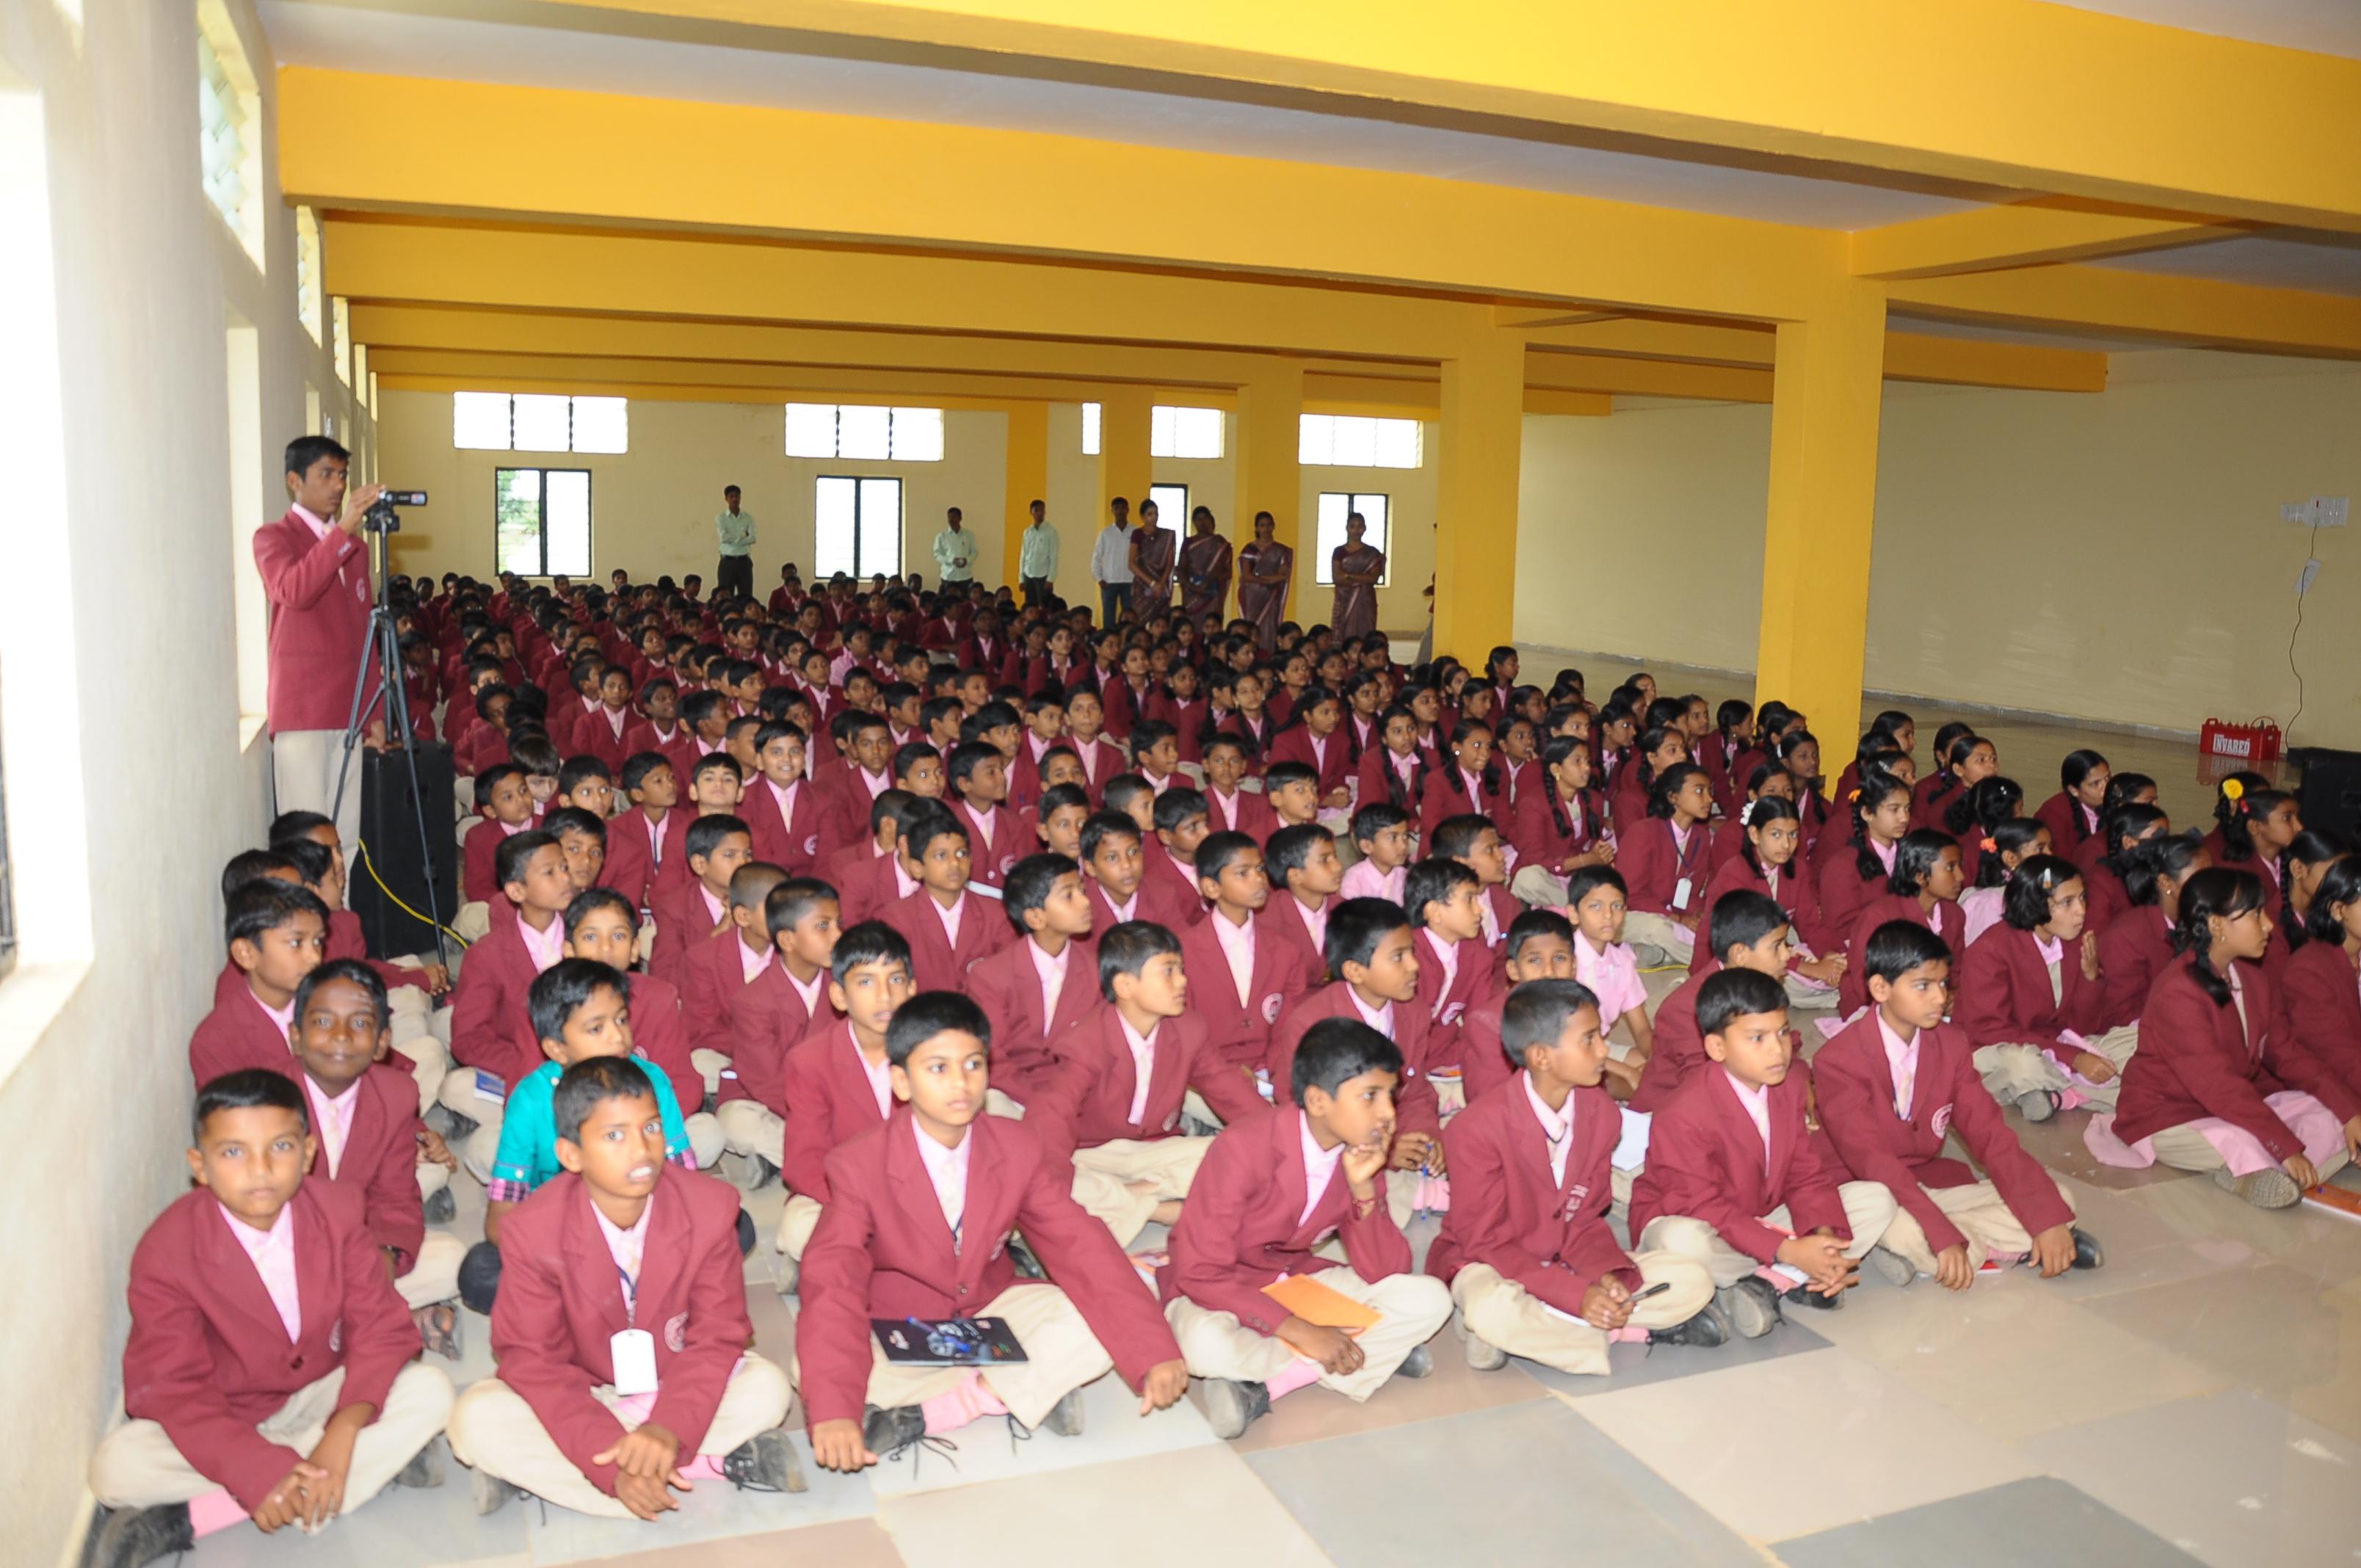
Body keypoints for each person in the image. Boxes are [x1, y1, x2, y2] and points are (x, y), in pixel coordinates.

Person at [799, 993, 1190, 1467]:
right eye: (937, 1068)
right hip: (902, 1322)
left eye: (973, 1064)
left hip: (991, 1307)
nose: (960, 1083)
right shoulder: (857, 1164)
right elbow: (833, 1283)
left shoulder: (1018, 1146)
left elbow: (1080, 1244)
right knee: (811, 1372)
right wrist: (836, 1411)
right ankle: (1016, 1389)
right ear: (901, 1081)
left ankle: (951, 1406)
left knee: (1097, 1324)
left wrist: (1152, 1350)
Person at [88, 1072, 454, 1563]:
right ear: (200, 1165)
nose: (260, 1169)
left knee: (429, 1391)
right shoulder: (168, 1248)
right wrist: (258, 1468)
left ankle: (200, 1515)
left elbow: (382, 1328)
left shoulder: (339, 1210)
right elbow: (172, 1389)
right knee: (115, 1468)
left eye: (279, 1147)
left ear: (307, 1155)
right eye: (234, 1152)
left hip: (320, 1393)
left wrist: (344, 1427)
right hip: (226, 1413)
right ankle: (345, 1473)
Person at [446, 1058, 801, 1519]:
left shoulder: (710, 1207)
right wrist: (610, 1455)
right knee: (474, 1419)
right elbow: (533, 1362)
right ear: (570, 1155)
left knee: (767, 1387)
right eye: (614, 1135)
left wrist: (669, 1427)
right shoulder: (533, 1230)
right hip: (584, 1389)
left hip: (674, 1381)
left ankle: (597, 1473)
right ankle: (693, 1467)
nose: (642, 1149)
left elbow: (718, 1335)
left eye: (651, 1128)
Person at [1158, 1017, 1454, 1439]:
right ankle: (1365, 1353)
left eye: (1390, 1096)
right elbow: (1199, 1272)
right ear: (1317, 1101)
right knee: (1204, 1347)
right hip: (1218, 1288)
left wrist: (1362, 1187)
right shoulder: (1243, 1148)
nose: (1388, 1114)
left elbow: (1387, 1269)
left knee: (1430, 1298)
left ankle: (1271, 1387)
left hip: (1292, 1281)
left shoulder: (1360, 1152)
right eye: (1370, 1096)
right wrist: (1300, 1331)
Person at [1430, 980, 1726, 1375]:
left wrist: (1605, 1277)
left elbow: (1586, 1218)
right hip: (1491, 1262)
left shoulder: (1602, 1114)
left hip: (1568, 1259)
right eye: (1589, 1040)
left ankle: (1563, 1330)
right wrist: (1575, 1294)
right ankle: (1612, 1329)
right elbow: (1486, 1242)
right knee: (1492, 1306)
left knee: (1692, 1280)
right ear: (1541, 1057)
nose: (1605, 1050)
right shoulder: (1474, 1130)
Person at [1816, 923, 2102, 1287]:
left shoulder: (1950, 1046)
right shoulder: (1838, 1060)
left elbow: (1992, 1137)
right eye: (1923, 985)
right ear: (1880, 988)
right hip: (1864, 1188)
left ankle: (1941, 1251)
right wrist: (1940, 1230)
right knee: (1895, 1222)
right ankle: (1962, 1244)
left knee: (2058, 1200)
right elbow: (1872, 1163)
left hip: (1925, 1184)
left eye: (1942, 983)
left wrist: (2045, 1220)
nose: (1939, 998)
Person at [1628, 969, 1899, 1338]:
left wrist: (1821, 1239)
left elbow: (1806, 1175)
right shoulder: (1682, 1112)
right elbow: (1702, 1207)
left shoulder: (1787, 1088)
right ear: (1716, 1048)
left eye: (1783, 1032)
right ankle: (1787, 1274)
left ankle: (1768, 1282)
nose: (1777, 1049)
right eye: (1757, 1038)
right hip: (1698, 1222)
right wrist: (1789, 1251)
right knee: (1682, 1241)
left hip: (1758, 1217)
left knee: (1876, 1200)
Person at [2098, 868, 2359, 1208]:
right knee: (2238, 1138)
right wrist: (2286, 1144)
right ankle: (2264, 1168)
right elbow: (2218, 1085)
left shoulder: (2253, 978)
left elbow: (2288, 1054)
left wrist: (2349, 1111)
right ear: (2217, 925)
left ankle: (2261, 1172)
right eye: (2254, 915)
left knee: (2330, 1114)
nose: (2268, 925)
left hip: (2229, 1107)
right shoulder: (2178, 991)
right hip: (2169, 1114)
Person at [287, 962, 466, 1355]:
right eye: (323, 1022)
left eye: (360, 1024)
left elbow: (395, 1196)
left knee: (453, 1261)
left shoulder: (396, 1094)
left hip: (359, 1252)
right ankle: (392, 1326)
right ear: (295, 1037)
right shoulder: (267, 1104)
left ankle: (365, 1326)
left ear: (383, 1042)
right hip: (286, 1261)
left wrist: (384, 1253)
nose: (340, 1036)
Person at [771, 922, 917, 1285]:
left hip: (918, 1192)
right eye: (866, 982)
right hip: (842, 1196)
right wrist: (870, 1209)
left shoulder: (932, 1052)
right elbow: (804, 1165)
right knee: (800, 1226)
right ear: (839, 996)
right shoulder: (810, 1061)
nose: (885, 995)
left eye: (896, 980)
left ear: (913, 989)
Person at [255, 435, 382, 852]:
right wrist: (343, 529)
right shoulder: (274, 538)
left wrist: (374, 710)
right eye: (325, 474)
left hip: (348, 708)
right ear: (295, 480)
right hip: (303, 709)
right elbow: (295, 590)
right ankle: (308, 917)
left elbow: (365, 630)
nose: (337, 486)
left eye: (342, 475)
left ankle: (340, 918)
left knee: (346, 835)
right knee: (308, 837)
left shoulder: (355, 548)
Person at [189, 880, 329, 1085]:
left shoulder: (329, 1003)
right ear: (246, 954)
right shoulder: (216, 1040)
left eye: (318, 941)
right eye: (296, 943)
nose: (314, 957)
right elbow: (239, 1114)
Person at [1235, 510, 1293, 650]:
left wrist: (1261, 579)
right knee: (1250, 628)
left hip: (1271, 598)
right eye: (1262, 525)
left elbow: (1283, 575)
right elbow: (1246, 576)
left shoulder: (1281, 550)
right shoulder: (1249, 549)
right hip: (1252, 598)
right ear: (1256, 528)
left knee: (1269, 628)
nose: (1266, 529)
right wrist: (1270, 581)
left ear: (1273, 526)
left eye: (1268, 525)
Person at [1327, 511, 1385, 642]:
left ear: (1365, 528)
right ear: (1347, 528)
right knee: (1344, 632)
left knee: (1365, 632)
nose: (1356, 530)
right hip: (1344, 599)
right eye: (1352, 526)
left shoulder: (1372, 553)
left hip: (1365, 599)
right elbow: (1337, 578)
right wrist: (1361, 577)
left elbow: (1373, 579)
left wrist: (1348, 575)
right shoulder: (1339, 551)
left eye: (1360, 526)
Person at [1178, 504, 1232, 625]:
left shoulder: (1220, 543)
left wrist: (1207, 583)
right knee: (1191, 625)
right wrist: (1192, 586)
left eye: (1205, 518)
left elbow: (1228, 572)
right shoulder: (1188, 542)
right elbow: (1181, 568)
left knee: (1212, 624)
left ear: (1210, 519)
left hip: (1213, 593)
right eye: (1198, 519)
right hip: (1192, 593)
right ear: (1193, 522)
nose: (1202, 522)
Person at [1092, 496, 1134, 626]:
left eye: (1123, 508)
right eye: (1117, 508)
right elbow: (1096, 557)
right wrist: (1099, 578)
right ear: (1112, 511)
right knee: (1109, 617)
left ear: (1128, 510)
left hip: (1130, 581)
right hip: (1109, 582)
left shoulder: (1135, 532)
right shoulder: (1105, 533)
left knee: (1130, 616)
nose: (1120, 511)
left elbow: (1141, 557)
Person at [1130, 496, 1177, 611]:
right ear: (1142, 517)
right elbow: (1131, 563)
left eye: (1156, 513)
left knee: (1161, 620)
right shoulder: (1137, 534)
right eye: (1150, 514)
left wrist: (1160, 585)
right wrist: (1152, 584)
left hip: (1162, 584)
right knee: (1141, 618)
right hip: (1143, 584)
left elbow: (1170, 563)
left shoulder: (1167, 535)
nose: (1154, 517)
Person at [714, 484, 755, 600]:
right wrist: (743, 536)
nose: (734, 499)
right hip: (727, 562)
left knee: (746, 597)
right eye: (731, 496)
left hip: (744, 562)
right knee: (725, 597)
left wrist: (733, 538)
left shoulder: (748, 518)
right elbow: (724, 538)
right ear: (726, 499)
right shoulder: (721, 518)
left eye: (737, 496)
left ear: (740, 498)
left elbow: (752, 539)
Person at [1018, 498, 1059, 606]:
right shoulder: (1027, 532)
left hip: (1044, 576)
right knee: (1030, 606)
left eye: (1042, 510)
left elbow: (1054, 556)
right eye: (1036, 510)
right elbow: (1023, 556)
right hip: (1028, 575)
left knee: (1045, 607)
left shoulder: (1051, 532)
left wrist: (1051, 578)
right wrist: (1021, 578)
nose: (1040, 513)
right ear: (1031, 512)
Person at [932, 507, 976, 586]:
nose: (951, 520)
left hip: (965, 576)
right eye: (949, 517)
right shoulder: (941, 536)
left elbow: (974, 552)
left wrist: (967, 561)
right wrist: (951, 560)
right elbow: (937, 555)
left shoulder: (969, 535)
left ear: (960, 518)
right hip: (948, 576)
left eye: (954, 517)